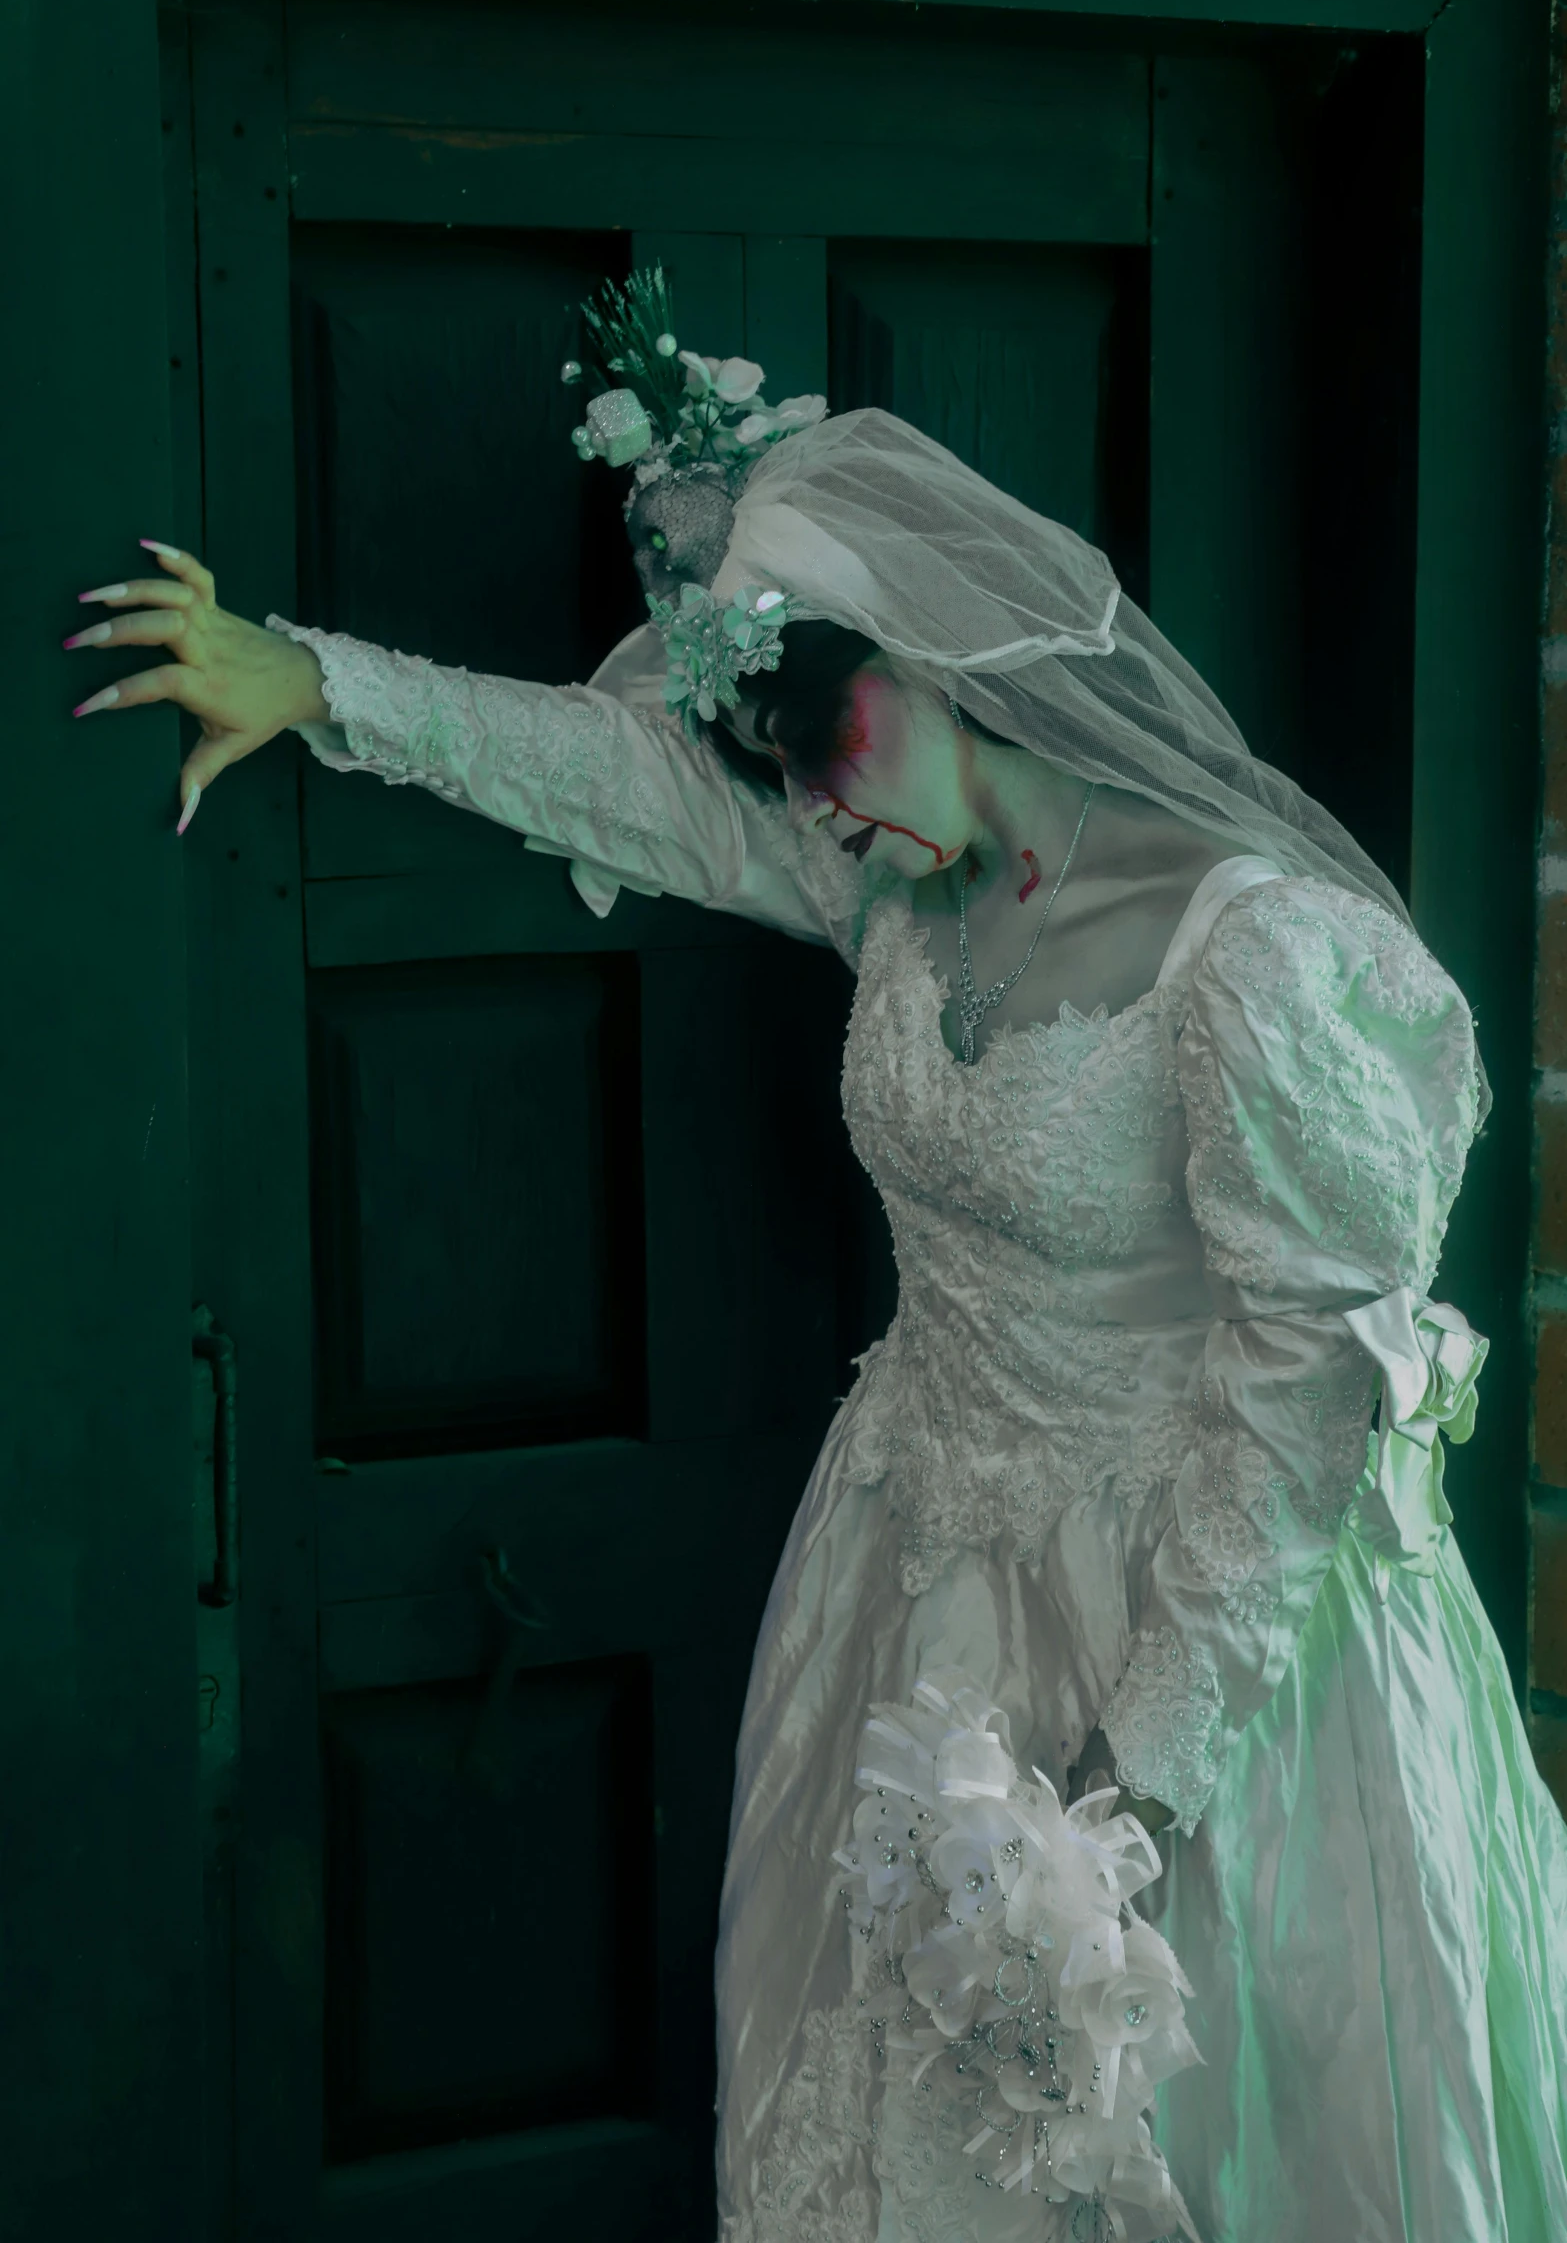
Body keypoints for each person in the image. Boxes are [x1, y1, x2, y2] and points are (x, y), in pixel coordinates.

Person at [69, 312, 1567, 2237]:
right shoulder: (889, 870)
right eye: (778, 750)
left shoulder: (1251, 954)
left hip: (1207, 1631)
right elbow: (635, 796)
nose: (810, 798)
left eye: (824, 734)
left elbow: (1299, 1399)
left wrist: (1128, 1794)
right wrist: (316, 679)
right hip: (916, 1577)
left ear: (943, 664)